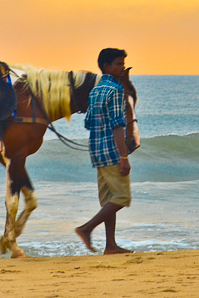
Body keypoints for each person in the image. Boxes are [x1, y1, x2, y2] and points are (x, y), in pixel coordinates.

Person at [75, 48, 136, 254]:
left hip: (97, 152)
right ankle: (86, 229)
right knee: (122, 198)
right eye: (118, 64)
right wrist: (123, 156)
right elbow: (118, 125)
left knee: (109, 199)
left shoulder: (96, 91)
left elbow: (89, 122)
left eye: (123, 64)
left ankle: (110, 245)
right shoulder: (116, 90)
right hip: (112, 152)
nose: (122, 68)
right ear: (107, 66)